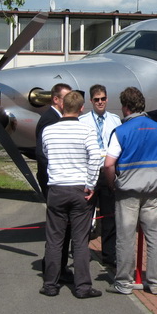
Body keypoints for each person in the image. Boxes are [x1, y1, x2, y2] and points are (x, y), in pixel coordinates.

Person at [103, 87, 157, 295]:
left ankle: (124, 282)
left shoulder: (121, 131)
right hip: (152, 192)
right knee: (154, 238)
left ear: (126, 107)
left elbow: (108, 163)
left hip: (128, 192)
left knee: (125, 238)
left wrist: (112, 183)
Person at [39, 90, 103, 299]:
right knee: (80, 240)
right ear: (81, 108)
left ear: (62, 106)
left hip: (57, 187)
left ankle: (50, 283)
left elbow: (46, 153)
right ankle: (82, 286)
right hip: (79, 188)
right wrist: (91, 183)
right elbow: (95, 156)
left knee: (54, 239)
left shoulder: (49, 131)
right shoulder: (87, 130)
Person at [78, 84, 121, 268]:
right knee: (85, 214)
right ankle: (81, 251)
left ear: (107, 99)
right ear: (91, 101)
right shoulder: (83, 121)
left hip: (107, 171)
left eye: (103, 99)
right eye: (97, 100)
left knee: (109, 215)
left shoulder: (115, 120)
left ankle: (109, 255)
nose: (100, 102)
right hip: (90, 171)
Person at [35, 83, 72, 281]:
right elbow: (43, 155)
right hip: (53, 183)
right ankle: (54, 270)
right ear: (56, 99)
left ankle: (59, 267)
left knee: (63, 229)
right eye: (66, 98)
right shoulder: (50, 120)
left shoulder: (57, 118)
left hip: (57, 182)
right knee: (58, 230)